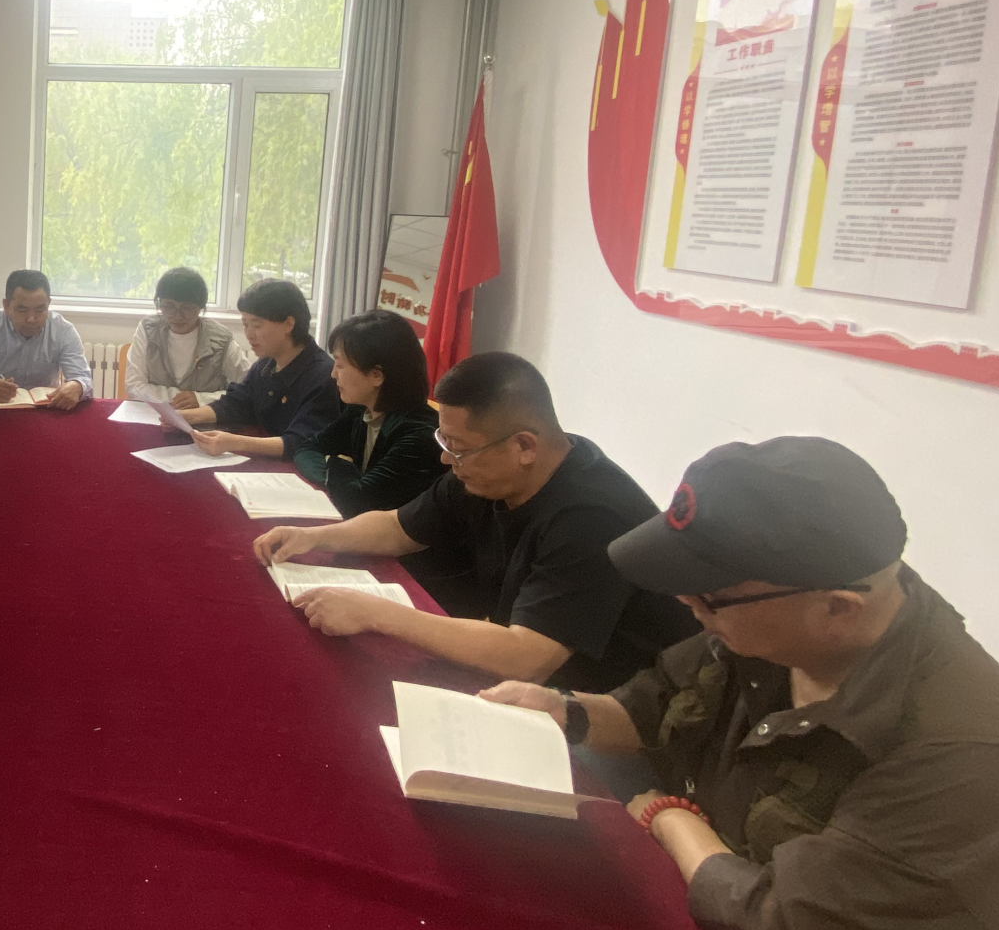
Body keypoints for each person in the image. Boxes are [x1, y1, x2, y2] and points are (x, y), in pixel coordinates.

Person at [483, 438, 999, 930]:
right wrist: (565, 710)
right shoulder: (773, 632)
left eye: (709, 597)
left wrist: (671, 820)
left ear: (837, 609)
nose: (687, 606)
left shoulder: (968, 766)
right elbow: (658, 706)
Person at [253, 351, 695, 692]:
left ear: (524, 446)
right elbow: (399, 528)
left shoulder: (591, 517)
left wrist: (375, 613)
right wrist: (314, 536)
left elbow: (528, 657)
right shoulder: (490, 470)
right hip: (538, 680)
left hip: (618, 710)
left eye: (459, 447)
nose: (447, 460)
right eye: (444, 440)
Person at [292, 310, 444, 517]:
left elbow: (357, 501)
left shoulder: (419, 434)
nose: (333, 374)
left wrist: (335, 463)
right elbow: (307, 448)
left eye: (340, 365)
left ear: (376, 375)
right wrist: (333, 475)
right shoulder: (360, 409)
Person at [183, 278, 340, 459]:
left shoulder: (323, 376)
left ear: (289, 324)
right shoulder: (266, 363)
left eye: (256, 325)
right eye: (245, 324)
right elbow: (237, 404)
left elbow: (301, 442)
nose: (249, 334)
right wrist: (187, 417)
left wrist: (235, 442)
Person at [0, 268, 92, 409]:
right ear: (6, 306)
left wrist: (77, 386)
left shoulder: (63, 330)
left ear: (48, 304)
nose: (31, 319)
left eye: (40, 310)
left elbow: (83, 377)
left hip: (46, 408)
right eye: (22, 310)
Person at [121, 265, 250, 409]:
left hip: (204, 417)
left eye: (186, 308)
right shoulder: (147, 330)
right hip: (157, 415)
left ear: (201, 307)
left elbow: (248, 389)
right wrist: (178, 398)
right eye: (168, 306)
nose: (177, 316)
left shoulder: (221, 339)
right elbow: (133, 386)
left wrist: (201, 399)